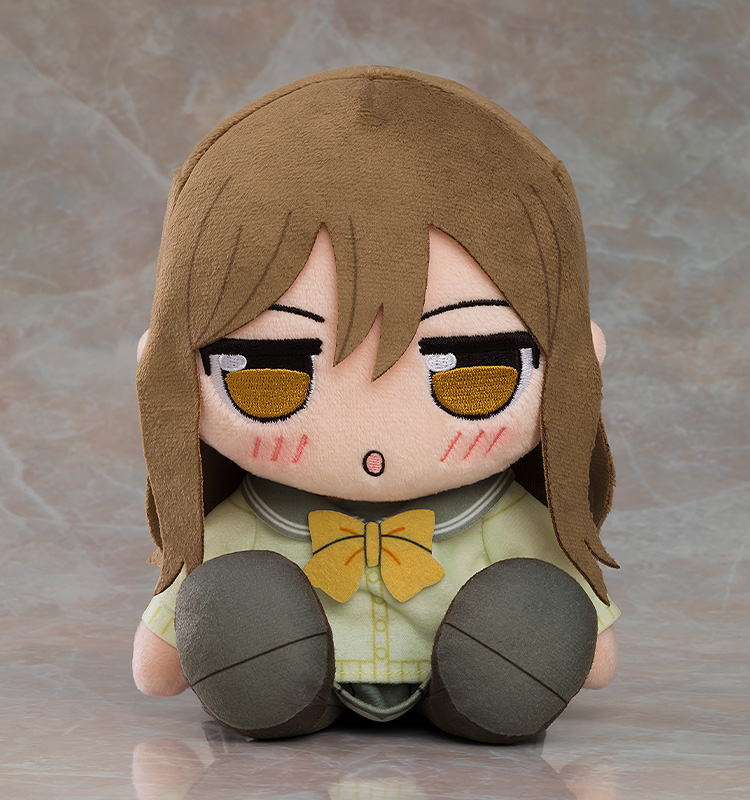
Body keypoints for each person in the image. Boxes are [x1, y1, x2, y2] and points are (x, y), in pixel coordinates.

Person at [132, 65, 620, 743]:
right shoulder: (246, 519)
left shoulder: (508, 517)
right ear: (165, 363)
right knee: (235, 600)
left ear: (578, 358)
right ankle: (270, 685)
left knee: (534, 604)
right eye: (269, 374)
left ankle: (492, 690)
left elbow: (592, 660)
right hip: (294, 685)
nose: (374, 441)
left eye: (474, 372)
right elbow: (159, 671)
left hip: (464, 684)